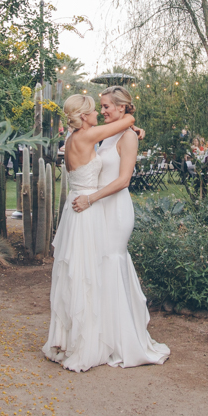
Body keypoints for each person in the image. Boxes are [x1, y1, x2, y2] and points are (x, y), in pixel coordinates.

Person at [67, 86, 169, 369]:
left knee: (112, 265)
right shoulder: (108, 135)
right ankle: (104, 337)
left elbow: (123, 181)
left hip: (114, 209)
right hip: (98, 208)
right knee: (101, 270)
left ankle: (124, 341)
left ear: (121, 108)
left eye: (107, 107)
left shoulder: (126, 136)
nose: (102, 111)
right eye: (100, 107)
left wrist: (90, 198)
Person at [42, 94, 138, 371]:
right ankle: (86, 342)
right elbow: (128, 119)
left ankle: (68, 339)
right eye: (96, 110)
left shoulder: (72, 138)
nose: (99, 113)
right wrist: (130, 120)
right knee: (86, 275)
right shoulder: (88, 136)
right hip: (86, 208)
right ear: (84, 116)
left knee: (75, 273)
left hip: (75, 210)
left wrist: (132, 132)